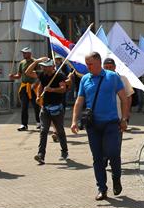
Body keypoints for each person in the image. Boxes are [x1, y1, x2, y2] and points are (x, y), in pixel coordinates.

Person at [70, 52, 130, 200]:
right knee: (97, 158)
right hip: (93, 125)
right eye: (86, 63)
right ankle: (102, 189)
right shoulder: (85, 79)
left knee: (113, 153)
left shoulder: (112, 77)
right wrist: (73, 121)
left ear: (98, 62)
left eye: (90, 64)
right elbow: (79, 101)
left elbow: (124, 98)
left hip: (111, 123)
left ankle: (116, 178)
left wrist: (124, 119)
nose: (87, 66)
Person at [30, 57, 68, 164]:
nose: (44, 68)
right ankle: (41, 155)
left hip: (57, 108)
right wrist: (38, 96)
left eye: (46, 67)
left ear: (52, 67)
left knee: (60, 131)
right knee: (43, 131)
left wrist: (52, 90)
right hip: (45, 108)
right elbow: (38, 84)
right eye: (43, 66)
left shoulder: (59, 76)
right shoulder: (42, 75)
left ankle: (64, 151)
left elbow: (63, 89)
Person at [8, 47, 40, 131]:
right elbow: (18, 75)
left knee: (36, 105)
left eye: (25, 53)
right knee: (24, 106)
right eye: (23, 53)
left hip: (34, 86)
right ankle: (24, 124)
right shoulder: (21, 63)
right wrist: (13, 76)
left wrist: (36, 83)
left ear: (30, 53)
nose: (23, 54)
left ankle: (39, 122)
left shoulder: (35, 62)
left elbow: (40, 75)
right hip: (24, 86)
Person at [103, 57, 135, 128]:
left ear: (115, 67)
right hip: (103, 116)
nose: (108, 69)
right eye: (106, 67)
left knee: (117, 137)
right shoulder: (99, 80)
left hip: (119, 115)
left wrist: (127, 112)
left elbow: (128, 96)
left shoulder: (123, 79)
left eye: (110, 67)